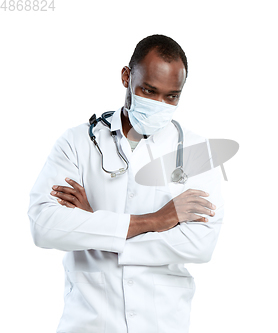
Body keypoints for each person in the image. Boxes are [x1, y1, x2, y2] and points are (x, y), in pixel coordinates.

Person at [28, 34, 224, 333]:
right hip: (89, 321)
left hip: (162, 322)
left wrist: (93, 225)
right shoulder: (78, 142)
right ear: (126, 77)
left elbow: (200, 245)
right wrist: (158, 220)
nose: (159, 103)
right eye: (149, 90)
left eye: (172, 96)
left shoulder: (196, 151)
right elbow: (45, 227)